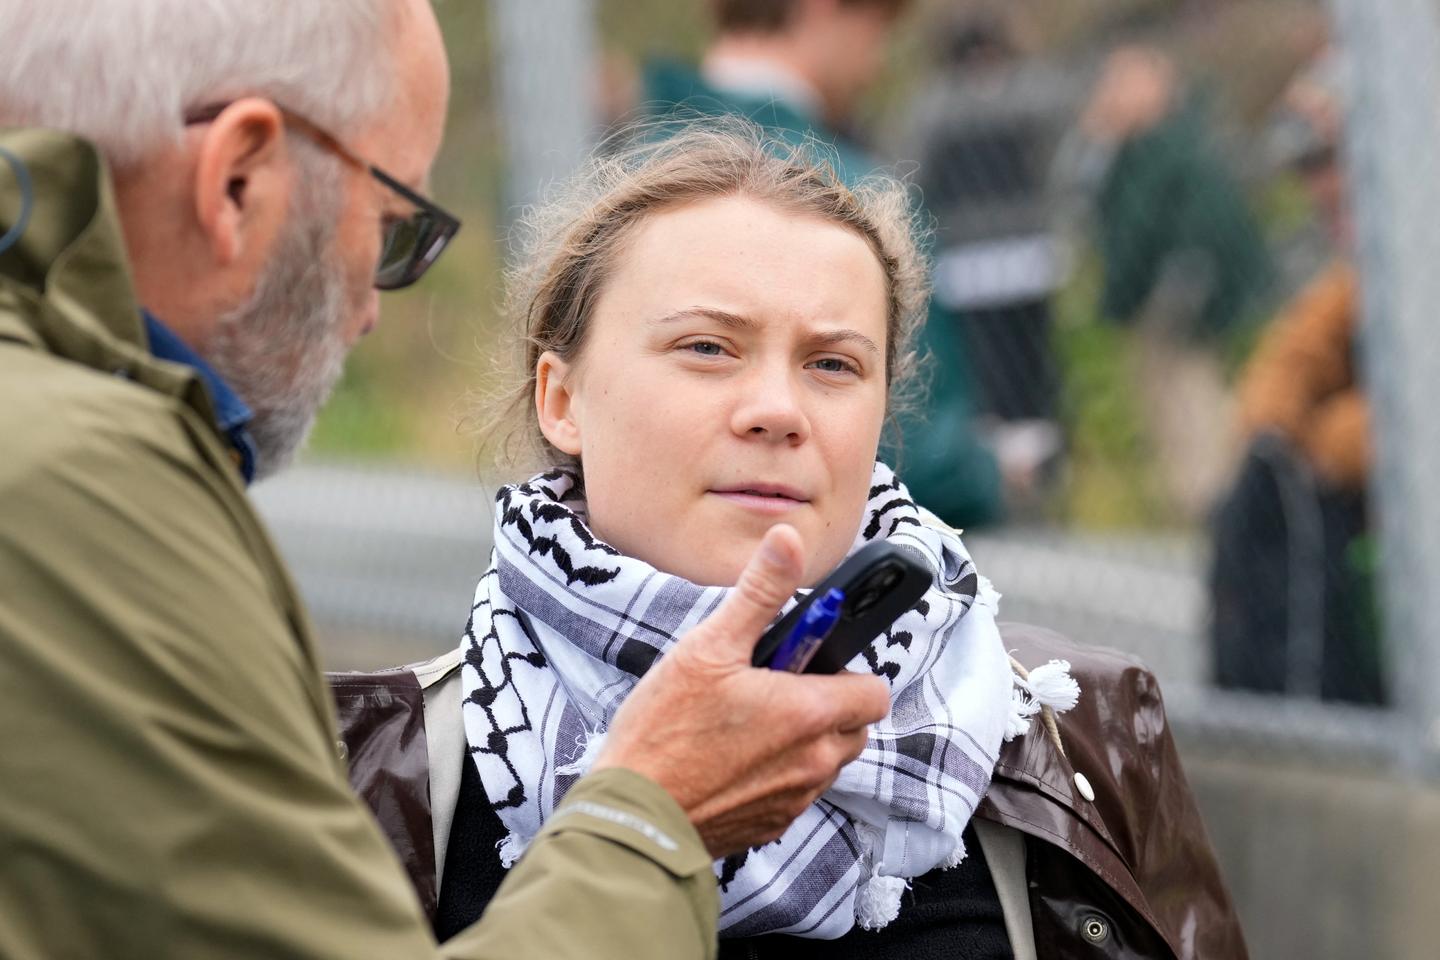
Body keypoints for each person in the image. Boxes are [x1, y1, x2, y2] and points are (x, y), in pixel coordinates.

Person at [0, 1, 891, 957]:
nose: (373, 315)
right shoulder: (82, 486)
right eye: (390, 225)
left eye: (835, 363)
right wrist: (654, 811)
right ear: (237, 180)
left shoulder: (1040, 740)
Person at [347, 121, 1248, 959]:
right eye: (707, 348)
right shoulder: (382, 775)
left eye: (832, 364)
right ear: (561, 399)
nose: (778, 410)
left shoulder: (1081, 735)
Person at [638, 0, 1009, 528]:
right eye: (876, 29)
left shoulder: (616, 180)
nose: (875, 65)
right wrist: (989, 472)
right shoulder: (859, 200)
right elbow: (925, 453)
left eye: (828, 365)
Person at [1210, 50, 1384, 704]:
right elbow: (1292, 359)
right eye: (1307, 168)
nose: (1319, 186)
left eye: (1329, 159)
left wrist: (1318, 438)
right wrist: (1280, 428)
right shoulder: (1360, 274)